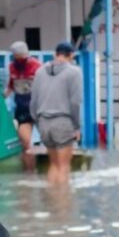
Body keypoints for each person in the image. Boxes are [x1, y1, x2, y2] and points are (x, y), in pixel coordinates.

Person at [30, 42, 83, 184]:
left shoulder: (39, 71)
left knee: (53, 165)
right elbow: (75, 103)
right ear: (71, 55)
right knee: (64, 166)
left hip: (43, 123)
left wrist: (38, 122)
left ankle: (52, 201)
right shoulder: (74, 72)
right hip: (63, 122)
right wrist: (77, 127)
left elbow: (33, 102)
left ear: (55, 54)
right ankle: (62, 203)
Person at [4, 41, 41, 172]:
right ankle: (29, 173)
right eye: (16, 57)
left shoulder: (37, 66)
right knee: (25, 142)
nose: (19, 60)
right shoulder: (12, 67)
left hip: (39, 108)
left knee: (50, 141)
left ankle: (46, 169)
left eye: (22, 58)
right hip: (22, 109)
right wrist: (1, 97)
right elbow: (10, 86)